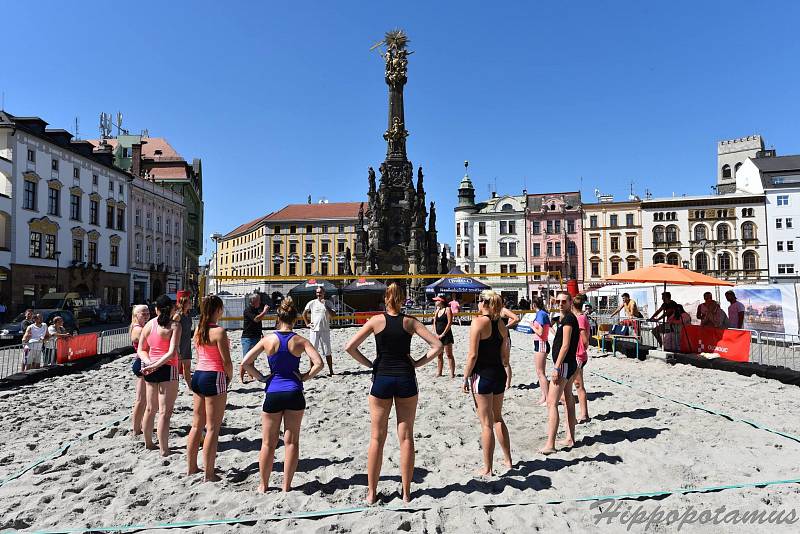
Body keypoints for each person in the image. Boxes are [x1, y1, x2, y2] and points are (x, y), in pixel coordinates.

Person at [344, 283, 442, 504]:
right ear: (404, 298)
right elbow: (437, 345)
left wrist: (370, 364)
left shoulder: (376, 321)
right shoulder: (410, 322)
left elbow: (350, 347)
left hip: (382, 378)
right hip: (406, 378)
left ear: (385, 298)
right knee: (406, 437)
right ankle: (406, 493)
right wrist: (417, 363)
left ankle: (371, 493)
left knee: (377, 438)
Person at [241, 297, 324, 493]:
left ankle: (263, 485)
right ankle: (286, 486)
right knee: (291, 441)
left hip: (273, 391)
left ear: (278, 318)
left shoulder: (268, 339)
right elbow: (319, 363)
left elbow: (245, 362)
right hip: (294, 391)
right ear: (295, 318)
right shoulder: (300, 340)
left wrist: (262, 378)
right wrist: (304, 377)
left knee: (268, 443)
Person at [463, 290, 512, 475]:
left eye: (478, 300)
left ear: (483, 303)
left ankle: (488, 468)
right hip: (499, 373)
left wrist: (465, 377)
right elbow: (504, 356)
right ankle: (508, 460)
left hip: (482, 376)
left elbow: (473, 355)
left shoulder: (477, 322)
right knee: (498, 418)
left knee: (486, 424)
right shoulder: (501, 323)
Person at [187, 295, 233, 481]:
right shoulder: (219, 332)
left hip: (198, 375)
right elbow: (226, 361)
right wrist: (229, 377)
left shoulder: (199, 329)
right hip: (213, 375)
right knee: (213, 428)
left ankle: (191, 468)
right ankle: (209, 473)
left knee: (196, 425)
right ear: (217, 310)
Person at [139, 295, 182, 456]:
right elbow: (171, 353)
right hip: (166, 368)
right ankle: (164, 449)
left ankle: (148, 443)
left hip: (150, 367)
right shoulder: (174, 326)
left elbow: (141, 349)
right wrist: (155, 365)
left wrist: (149, 363)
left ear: (156, 309)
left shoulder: (149, 325)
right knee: (165, 412)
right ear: (171, 309)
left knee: (150, 409)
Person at [539, 291, 579, 455]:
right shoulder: (565, 319)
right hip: (568, 364)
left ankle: (550, 444)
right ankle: (570, 437)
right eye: (559, 301)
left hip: (563, 365)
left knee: (551, 402)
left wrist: (556, 367)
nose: (561, 304)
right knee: (568, 399)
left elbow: (566, 345)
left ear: (570, 302)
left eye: (564, 301)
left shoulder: (569, 319)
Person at [303, 287, 336, 376]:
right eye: (317, 292)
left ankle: (331, 371)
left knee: (327, 351)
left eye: (320, 292)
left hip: (325, 330)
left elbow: (333, 315)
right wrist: (307, 323)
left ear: (324, 293)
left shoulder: (328, 303)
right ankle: (311, 371)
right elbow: (304, 314)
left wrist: (326, 306)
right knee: (312, 351)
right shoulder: (312, 302)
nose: (318, 294)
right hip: (314, 330)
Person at [129, 305, 150, 436]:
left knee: (144, 399)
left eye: (148, 313)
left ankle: (140, 425)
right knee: (141, 400)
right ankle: (136, 429)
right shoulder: (138, 329)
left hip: (143, 362)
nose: (147, 315)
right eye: (144, 314)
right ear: (136, 315)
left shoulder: (141, 327)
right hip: (141, 363)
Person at [239, 293, 270, 382]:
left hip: (256, 337)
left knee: (251, 359)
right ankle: (241, 379)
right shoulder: (248, 310)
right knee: (245, 360)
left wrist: (261, 333)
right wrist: (264, 311)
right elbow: (256, 319)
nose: (260, 302)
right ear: (253, 301)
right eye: (258, 300)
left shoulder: (256, 309)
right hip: (248, 338)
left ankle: (250, 376)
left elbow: (258, 323)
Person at [572, 295, 591, 424]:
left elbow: (584, 340)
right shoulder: (581, 317)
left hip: (579, 355)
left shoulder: (580, 318)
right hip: (579, 354)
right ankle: (584, 414)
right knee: (578, 385)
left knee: (577, 385)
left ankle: (584, 414)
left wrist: (581, 349)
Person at [531, 297, 551, 406]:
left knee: (540, 373)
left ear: (534, 304)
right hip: (541, 343)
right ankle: (544, 396)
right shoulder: (543, 313)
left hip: (541, 343)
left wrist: (531, 326)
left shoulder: (540, 314)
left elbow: (540, 332)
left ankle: (548, 399)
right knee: (540, 373)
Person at [432, 295, 455, 378]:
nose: (435, 302)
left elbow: (449, 323)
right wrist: (436, 334)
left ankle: (452, 373)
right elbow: (434, 322)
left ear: (441, 301)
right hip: (438, 336)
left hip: (446, 335)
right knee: (439, 355)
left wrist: (443, 334)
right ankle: (439, 372)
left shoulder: (447, 309)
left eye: (436, 300)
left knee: (449, 354)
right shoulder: (437, 310)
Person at [174, 295, 194, 387]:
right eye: (189, 302)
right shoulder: (178, 316)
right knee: (176, 369)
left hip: (187, 344)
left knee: (187, 367)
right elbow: (172, 330)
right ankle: (174, 386)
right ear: (183, 304)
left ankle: (190, 387)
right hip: (179, 344)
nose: (191, 304)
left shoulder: (188, 315)